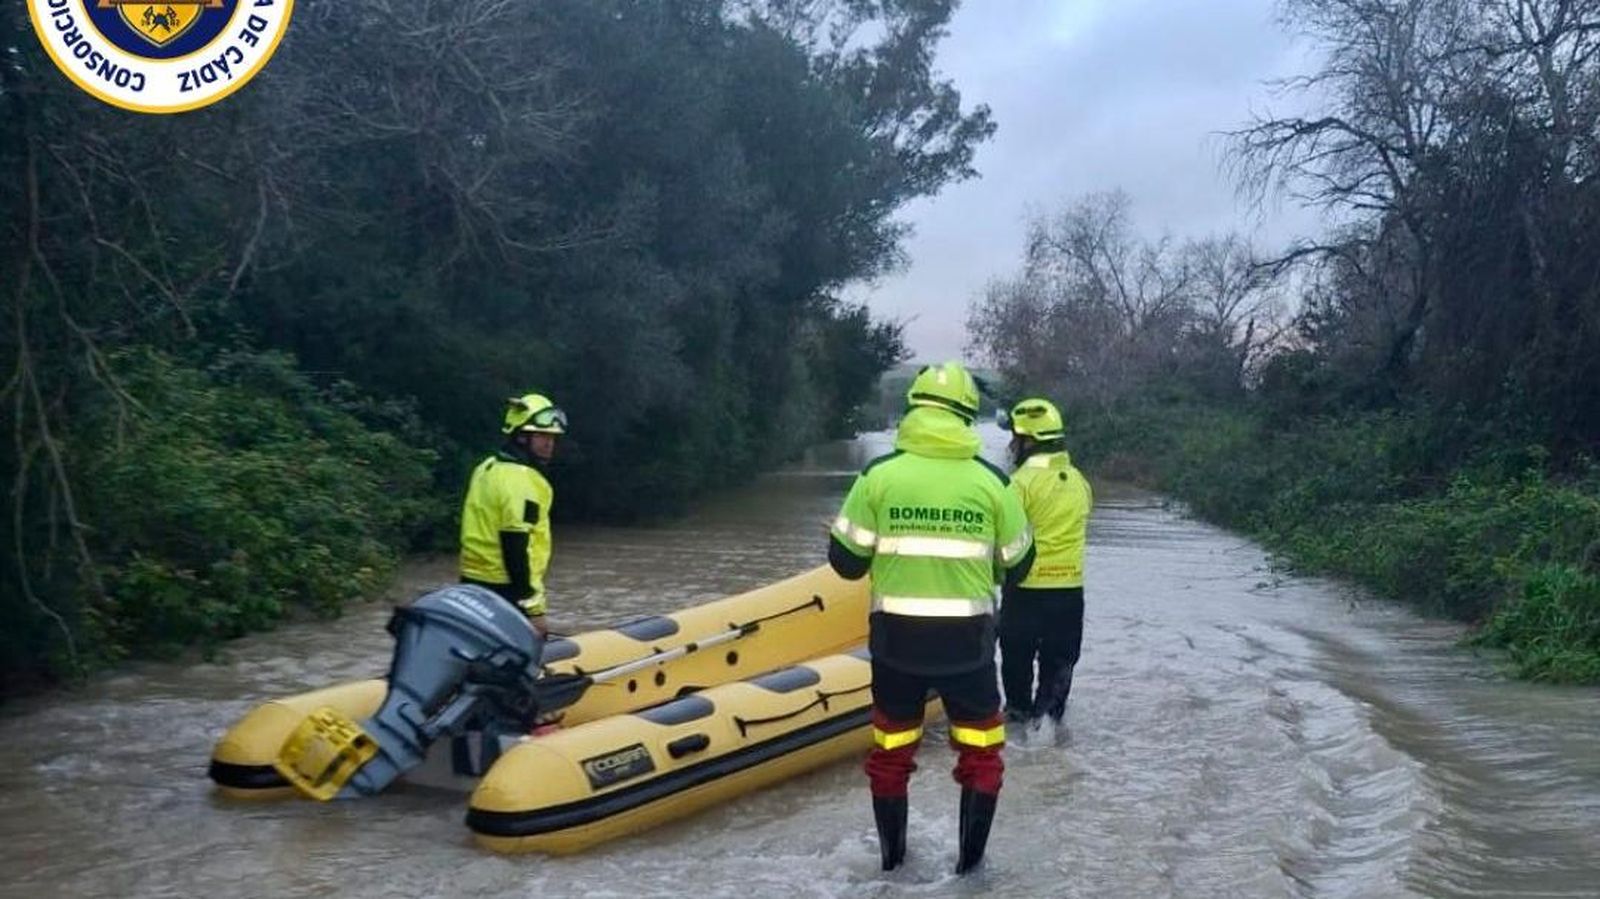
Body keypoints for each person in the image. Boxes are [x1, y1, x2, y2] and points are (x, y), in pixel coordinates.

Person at [827, 361, 1035, 875]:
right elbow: (1021, 564)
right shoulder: (992, 482)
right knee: (982, 754)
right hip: (968, 649)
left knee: (892, 754)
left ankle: (892, 867)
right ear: (969, 415)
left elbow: (845, 564)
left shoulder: (878, 476)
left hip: (896, 646)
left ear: (912, 409)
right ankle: (970, 872)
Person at [998, 397, 1092, 732]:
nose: (1011, 445)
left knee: (1017, 673)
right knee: (1059, 670)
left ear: (1027, 441)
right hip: (1069, 592)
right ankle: (1053, 737)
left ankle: (1020, 737)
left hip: (1025, 591)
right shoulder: (1079, 481)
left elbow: (1004, 538)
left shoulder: (1019, 484)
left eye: (1014, 438)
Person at [459, 393, 568, 636]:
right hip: (506, 589)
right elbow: (516, 547)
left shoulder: (486, 468)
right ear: (521, 436)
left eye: (552, 437)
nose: (549, 444)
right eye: (541, 436)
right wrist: (533, 610)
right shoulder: (522, 481)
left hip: (472, 584)